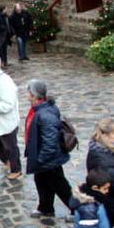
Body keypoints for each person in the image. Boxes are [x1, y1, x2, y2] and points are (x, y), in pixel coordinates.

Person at [24, 79, 73, 219]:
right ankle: (45, 208)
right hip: (42, 157)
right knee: (41, 182)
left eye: (28, 92)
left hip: (48, 159)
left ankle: (77, 210)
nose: (26, 95)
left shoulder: (45, 114)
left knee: (60, 185)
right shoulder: (40, 109)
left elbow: (50, 142)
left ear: (34, 95)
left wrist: (41, 159)